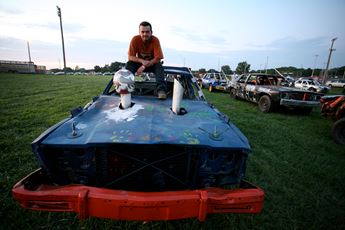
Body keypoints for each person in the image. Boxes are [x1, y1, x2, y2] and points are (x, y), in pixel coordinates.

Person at [126, 21, 167, 99]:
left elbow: (158, 57)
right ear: (139, 32)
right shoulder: (135, 39)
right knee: (129, 64)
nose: (145, 34)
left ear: (151, 32)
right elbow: (130, 57)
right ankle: (127, 88)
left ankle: (161, 90)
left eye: (147, 32)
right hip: (139, 63)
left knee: (159, 66)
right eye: (142, 32)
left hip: (152, 63)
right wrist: (142, 62)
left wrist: (144, 66)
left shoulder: (155, 40)